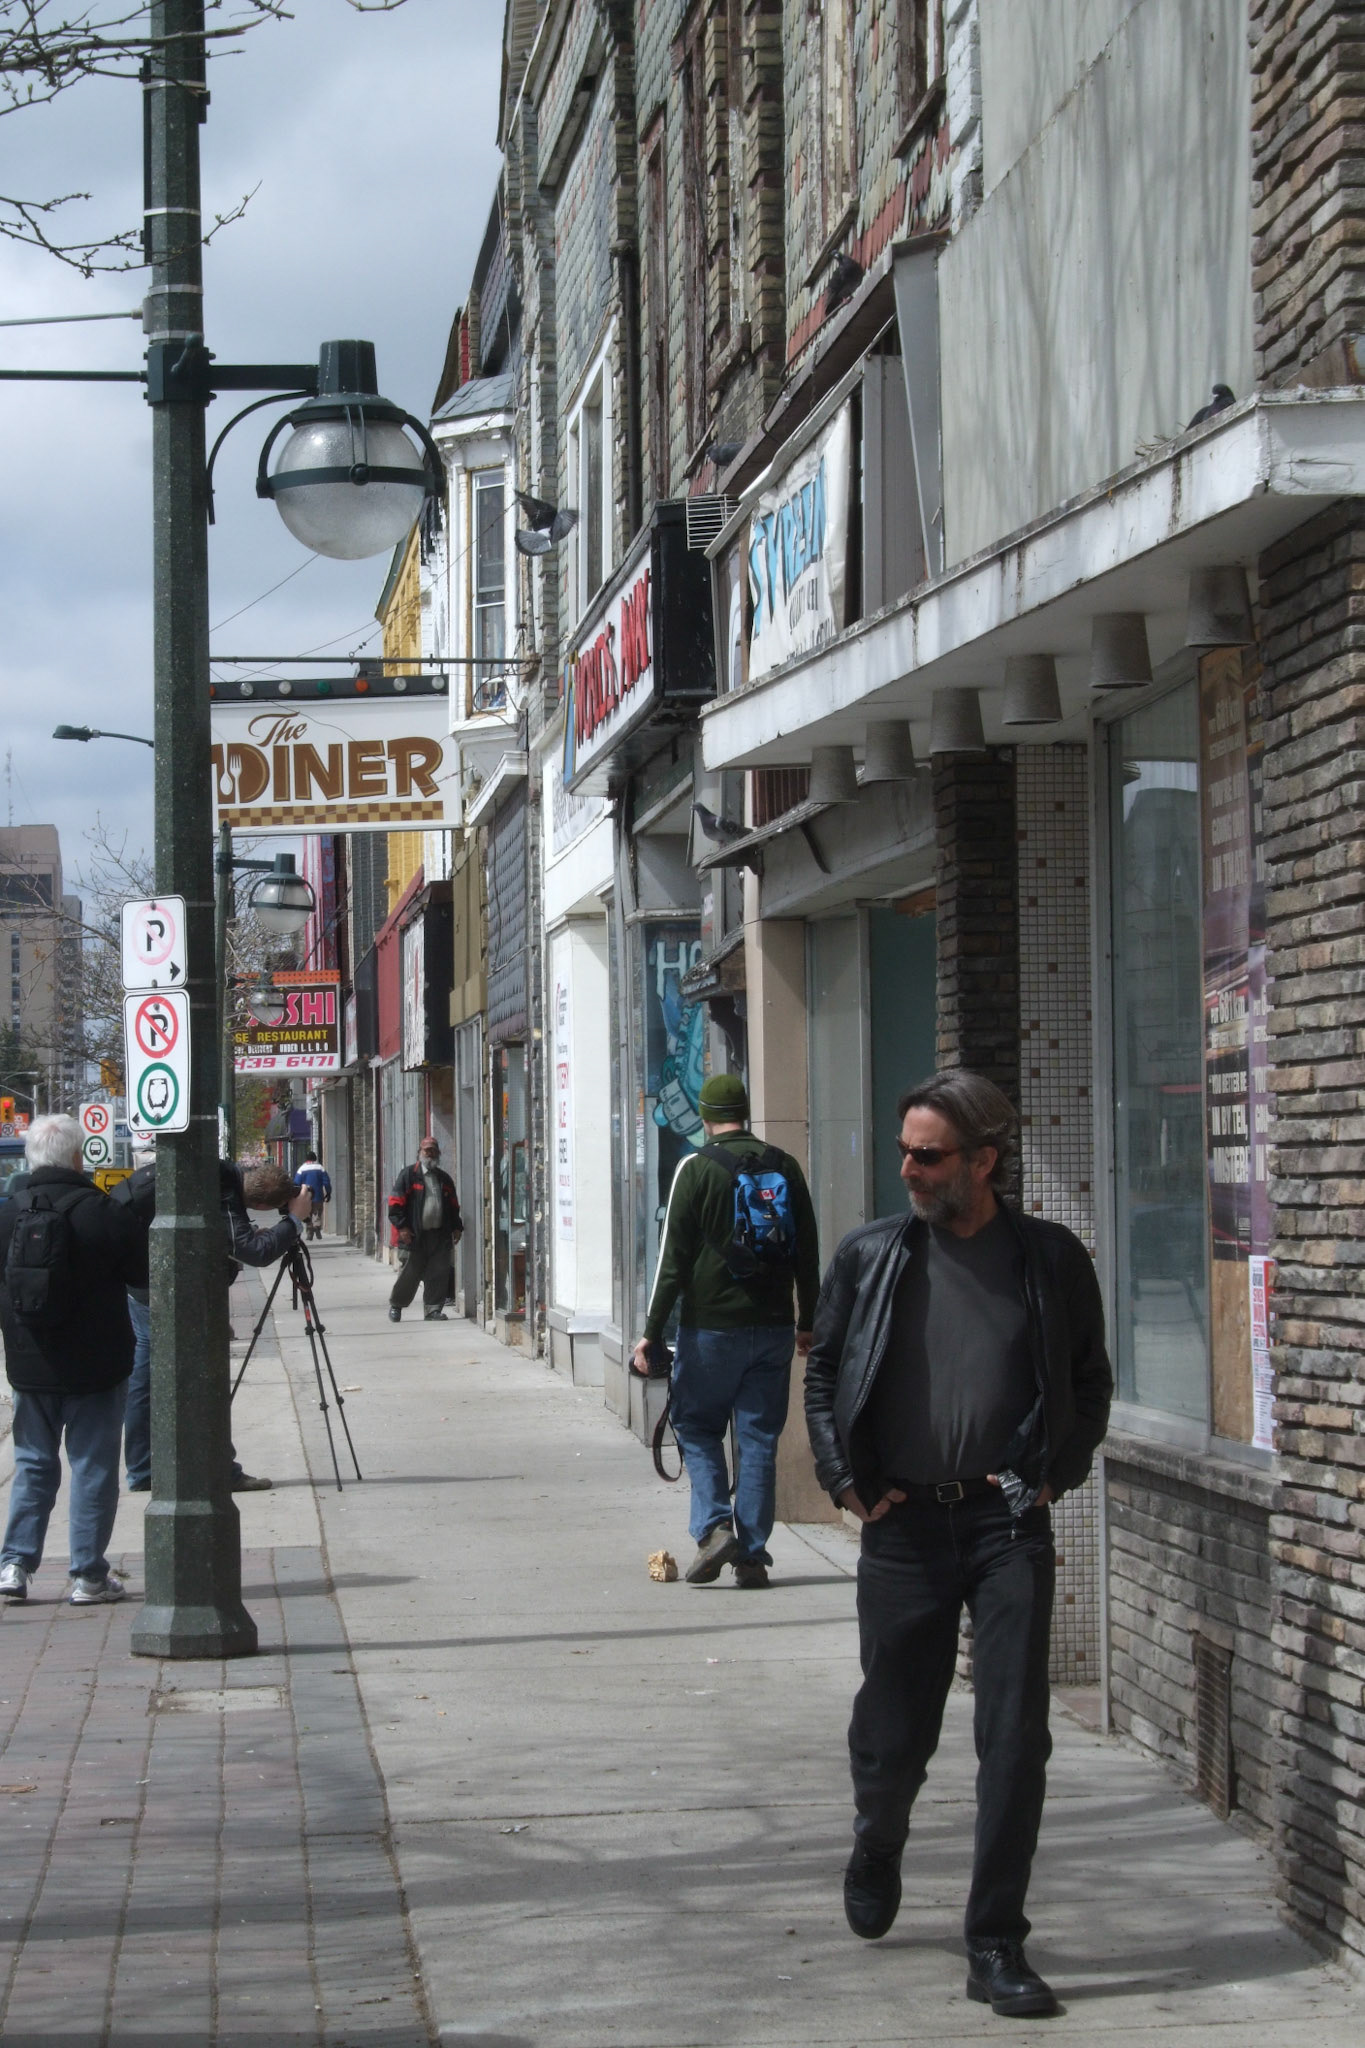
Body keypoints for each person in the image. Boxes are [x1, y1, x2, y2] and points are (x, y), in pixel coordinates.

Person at [804, 1071, 1112, 2018]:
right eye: (904, 1150)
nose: (909, 1170)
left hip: (1005, 1522)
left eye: (928, 1155)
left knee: (1015, 1735)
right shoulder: (870, 1256)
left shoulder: (1050, 1259)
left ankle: (994, 1944)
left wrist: (1054, 1472)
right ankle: (878, 1834)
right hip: (901, 1528)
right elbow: (823, 1376)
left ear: (983, 1159)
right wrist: (842, 1480)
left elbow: (1088, 1384)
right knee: (895, 1735)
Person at [630, 1072, 820, 1589]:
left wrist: (650, 1333)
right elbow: (808, 1251)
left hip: (711, 1328)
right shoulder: (784, 1166)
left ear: (707, 1116)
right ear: (745, 1110)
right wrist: (808, 1321)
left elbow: (672, 1261)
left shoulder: (695, 1168)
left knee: (696, 1426)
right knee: (759, 1438)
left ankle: (714, 1527)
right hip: (776, 1327)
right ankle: (753, 1557)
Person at [0, 1114, 149, 1606]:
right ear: (77, 1157)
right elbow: (140, 1275)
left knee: (32, 1463)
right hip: (96, 1364)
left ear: (30, 1158)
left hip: (29, 1362)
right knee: (93, 1467)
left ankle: (15, 1566)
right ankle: (87, 1576)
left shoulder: (7, 1214)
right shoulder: (103, 1212)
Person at [114, 1155, 311, 1493]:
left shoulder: (215, 1168)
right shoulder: (221, 1188)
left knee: (143, 1380)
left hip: (139, 1282)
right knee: (206, 1379)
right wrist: (293, 1221)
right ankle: (222, 1470)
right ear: (261, 1202)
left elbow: (233, 1237)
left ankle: (142, 1468)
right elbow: (255, 1252)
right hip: (169, 1292)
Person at [387, 1136, 462, 1323]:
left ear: (438, 1153)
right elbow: (395, 1204)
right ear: (420, 1152)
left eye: (433, 1150)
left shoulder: (444, 1179)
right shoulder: (408, 1175)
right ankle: (396, 1305)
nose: (430, 1153)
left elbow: (453, 1207)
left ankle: (433, 1310)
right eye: (426, 1150)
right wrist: (402, 1227)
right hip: (414, 1236)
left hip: (439, 1235)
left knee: (438, 1272)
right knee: (409, 1274)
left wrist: (456, 1227)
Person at [293, 1151, 331, 1241]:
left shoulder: (301, 1169)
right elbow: (326, 1182)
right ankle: (317, 1226)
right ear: (315, 1158)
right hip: (318, 1195)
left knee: (307, 1214)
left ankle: (309, 1231)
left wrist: (297, 1196)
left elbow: (296, 1183)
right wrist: (328, 1192)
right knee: (317, 1212)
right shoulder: (320, 1168)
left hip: (305, 1196)